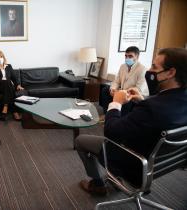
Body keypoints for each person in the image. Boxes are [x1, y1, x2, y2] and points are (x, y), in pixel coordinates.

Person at [75, 48, 187, 195]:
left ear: (171, 72)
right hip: (165, 164)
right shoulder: (171, 101)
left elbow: (111, 132)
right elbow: (159, 114)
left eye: (154, 67)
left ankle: (98, 185)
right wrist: (143, 100)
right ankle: (115, 180)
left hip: (136, 164)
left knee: (80, 140)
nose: (150, 71)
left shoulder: (151, 108)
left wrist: (116, 104)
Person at [100, 46, 149, 116]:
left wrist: (122, 93)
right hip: (123, 91)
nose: (127, 58)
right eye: (126, 56)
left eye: (130, 56)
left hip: (135, 95)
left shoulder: (142, 70)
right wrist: (113, 89)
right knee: (105, 90)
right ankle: (107, 114)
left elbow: (138, 89)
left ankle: (120, 120)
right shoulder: (123, 66)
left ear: (137, 57)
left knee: (126, 100)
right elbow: (117, 81)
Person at [0, 50, 24, 120]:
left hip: (8, 86)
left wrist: (18, 85)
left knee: (8, 85)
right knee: (8, 83)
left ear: (3, 57)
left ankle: (5, 108)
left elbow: (14, 77)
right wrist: (5, 81)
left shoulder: (9, 66)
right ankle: (15, 112)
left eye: (1, 56)